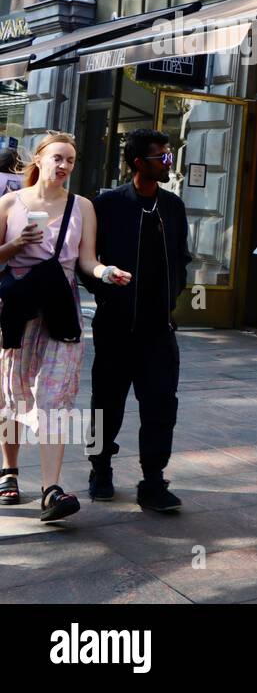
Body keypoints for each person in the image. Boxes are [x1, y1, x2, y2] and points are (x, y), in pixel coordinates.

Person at [0, 132, 131, 521]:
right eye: (58, 157)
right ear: (39, 159)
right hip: (16, 308)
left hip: (61, 309)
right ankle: (9, 471)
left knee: (56, 399)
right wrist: (16, 245)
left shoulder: (82, 207)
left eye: (71, 160)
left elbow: (86, 260)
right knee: (12, 394)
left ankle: (51, 489)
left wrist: (106, 272)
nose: (65, 166)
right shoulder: (10, 203)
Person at [86, 128, 191, 512]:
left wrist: (173, 295)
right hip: (115, 327)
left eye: (168, 156)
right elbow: (87, 261)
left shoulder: (173, 206)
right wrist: (107, 289)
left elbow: (181, 257)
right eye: (160, 157)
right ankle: (99, 468)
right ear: (137, 163)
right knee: (105, 405)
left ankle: (153, 480)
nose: (168, 162)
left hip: (158, 329)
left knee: (162, 405)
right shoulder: (108, 204)